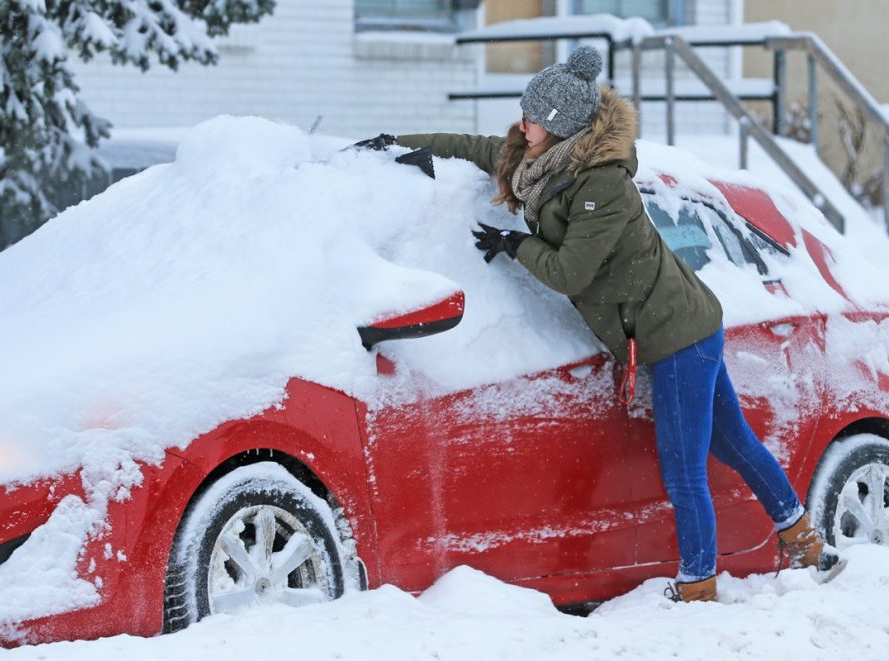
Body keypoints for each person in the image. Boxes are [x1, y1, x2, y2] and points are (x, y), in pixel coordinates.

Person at [359, 45, 845, 602]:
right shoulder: (538, 158)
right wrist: (401, 142)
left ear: (563, 128)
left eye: (534, 117)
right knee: (733, 445)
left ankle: (699, 586)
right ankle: (807, 544)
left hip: (678, 336)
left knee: (684, 469)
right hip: (684, 323)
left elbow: (570, 271)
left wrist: (518, 245)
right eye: (525, 111)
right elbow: (476, 148)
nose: (523, 123)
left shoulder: (602, 186)